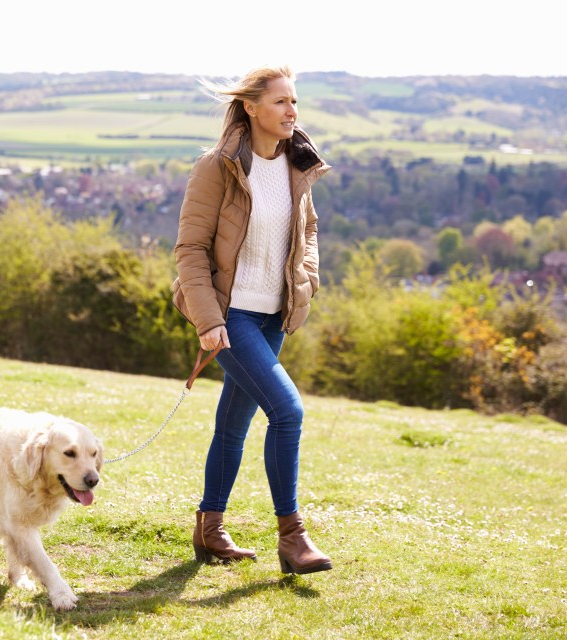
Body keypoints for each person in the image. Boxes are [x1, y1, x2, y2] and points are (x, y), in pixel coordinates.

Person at [172, 65, 332, 574]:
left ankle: (209, 526)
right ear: (252, 108)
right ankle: (293, 538)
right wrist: (208, 320)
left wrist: (304, 281)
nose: (292, 111)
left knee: (234, 424)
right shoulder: (217, 168)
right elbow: (191, 250)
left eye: (294, 101)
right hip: (231, 314)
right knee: (288, 412)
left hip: (271, 317)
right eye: (282, 102)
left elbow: (307, 235)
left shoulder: (297, 165)